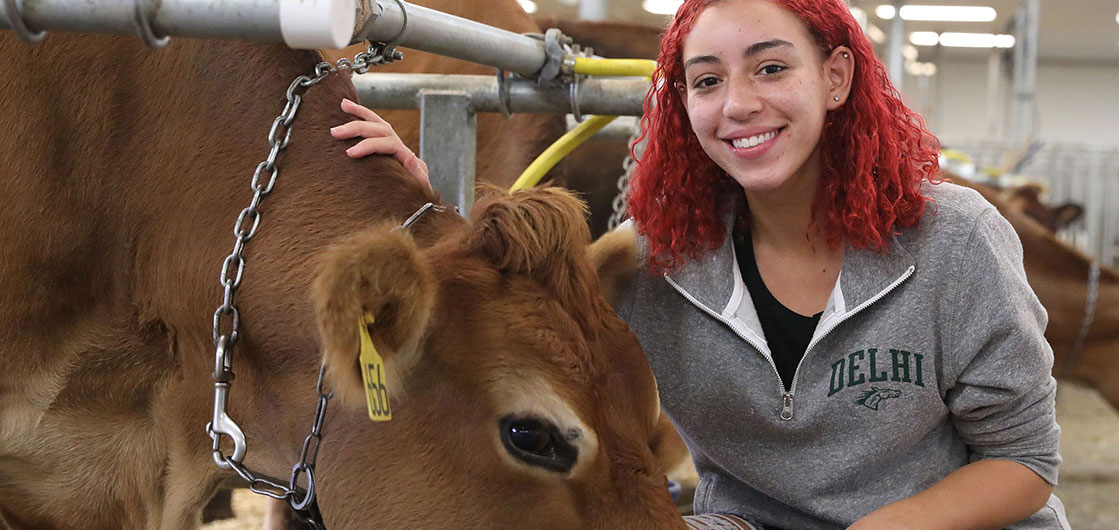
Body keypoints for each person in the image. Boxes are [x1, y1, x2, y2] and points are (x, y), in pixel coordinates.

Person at [331, 0, 1070, 528]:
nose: (739, 104)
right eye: (708, 81)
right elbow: (519, 318)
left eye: (771, 68)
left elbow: (1027, 464)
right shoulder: (655, 260)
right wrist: (429, 206)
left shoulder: (954, 239)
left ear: (837, 77)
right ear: (682, 104)